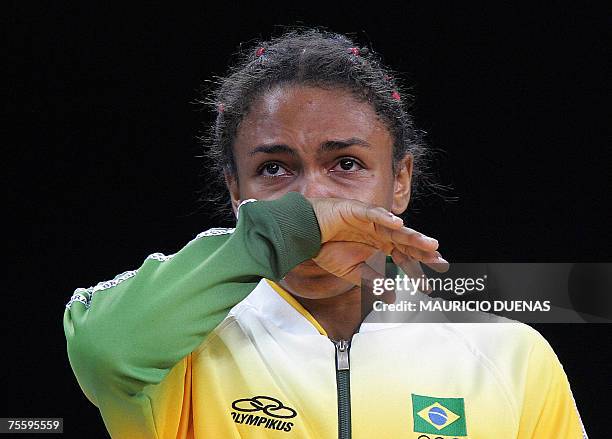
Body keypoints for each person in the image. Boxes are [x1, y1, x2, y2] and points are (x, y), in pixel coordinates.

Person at [63, 29, 587, 438]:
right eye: (273, 169)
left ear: (399, 181)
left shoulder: (507, 354)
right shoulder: (182, 341)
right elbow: (103, 349)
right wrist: (266, 240)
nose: (311, 198)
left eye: (346, 163)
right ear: (234, 190)